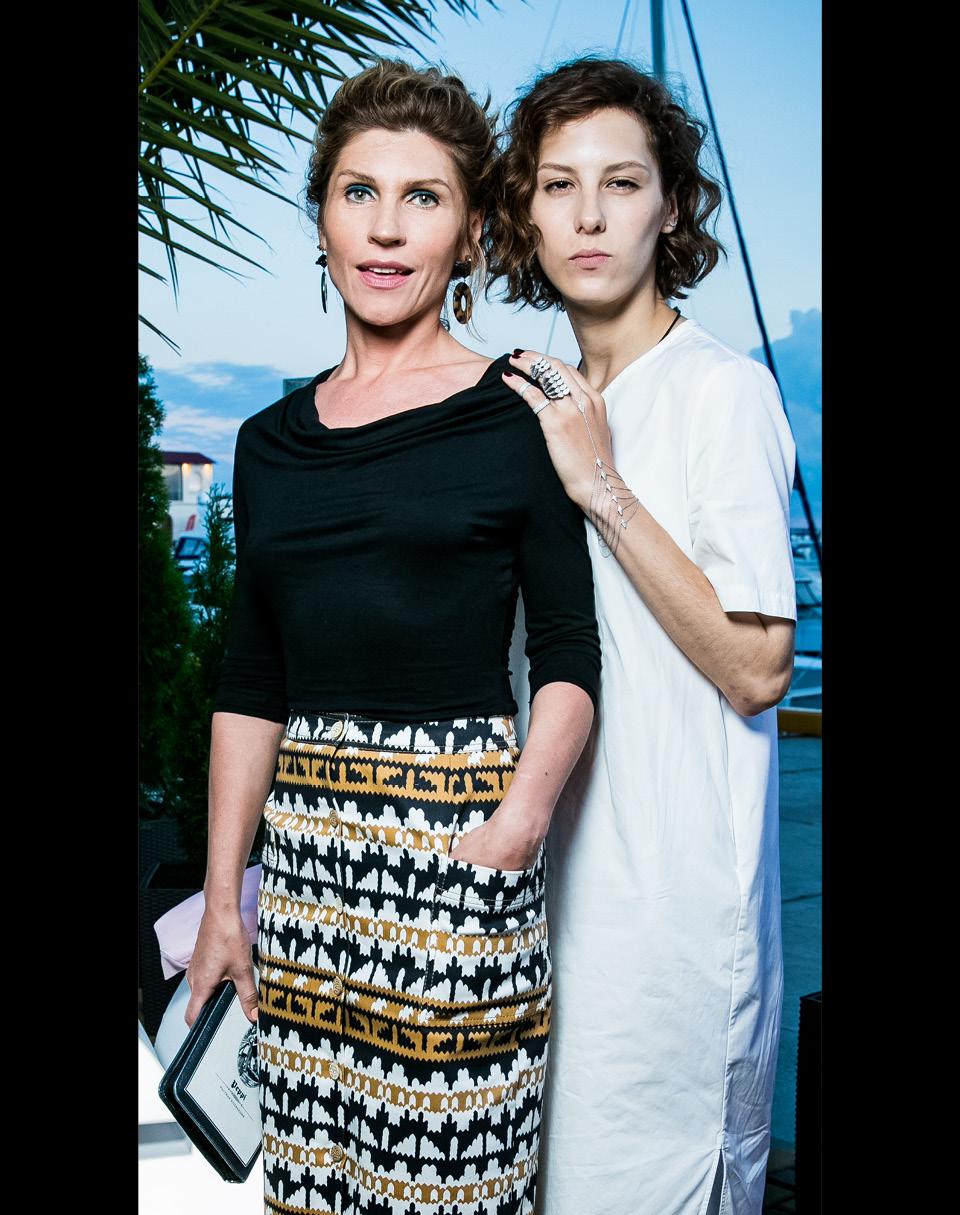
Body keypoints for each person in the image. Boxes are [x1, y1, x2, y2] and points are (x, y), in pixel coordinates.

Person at [184, 60, 600, 1215]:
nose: (385, 227)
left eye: (424, 198)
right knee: (310, 1191)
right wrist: (224, 901)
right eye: (358, 191)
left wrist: (515, 829)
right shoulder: (268, 442)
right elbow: (252, 681)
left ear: (468, 236)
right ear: (321, 217)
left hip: (459, 854)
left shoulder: (519, 410)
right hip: (305, 876)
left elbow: (571, 653)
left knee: (453, 1189)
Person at [488, 57, 798, 1215]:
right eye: (558, 184)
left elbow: (759, 668)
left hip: (673, 935)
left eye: (621, 183)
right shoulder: (534, 400)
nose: (588, 215)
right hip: (542, 909)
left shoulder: (722, 392)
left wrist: (600, 484)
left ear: (671, 207)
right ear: (525, 211)